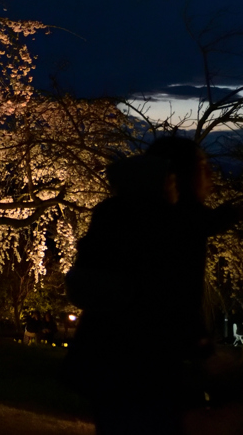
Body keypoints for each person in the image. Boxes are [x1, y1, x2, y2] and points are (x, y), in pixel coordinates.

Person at [65, 136, 241, 435]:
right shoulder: (171, 223)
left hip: (106, 361)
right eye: (203, 166)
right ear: (177, 174)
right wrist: (199, 346)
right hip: (142, 367)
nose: (210, 174)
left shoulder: (120, 213)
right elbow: (173, 295)